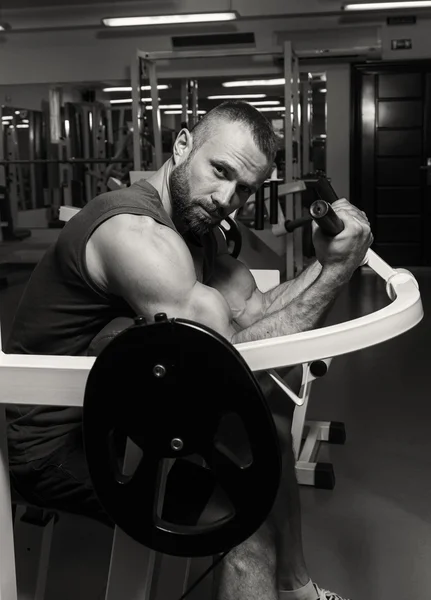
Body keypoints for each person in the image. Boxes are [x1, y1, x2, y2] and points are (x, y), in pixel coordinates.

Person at [6, 101, 372, 600]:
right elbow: (223, 372)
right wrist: (335, 275)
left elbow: (255, 311)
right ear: (182, 146)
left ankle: (294, 587)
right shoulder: (136, 238)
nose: (227, 199)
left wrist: (328, 262)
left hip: (113, 415)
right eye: (219, 172)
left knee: (263, 436)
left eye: (243, 189)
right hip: (52, 444)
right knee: (243, 501)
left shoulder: (195, 228)